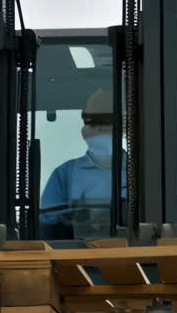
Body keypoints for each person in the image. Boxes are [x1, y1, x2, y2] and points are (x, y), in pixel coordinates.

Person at [38, 89, 124, 240]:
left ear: (124, 125)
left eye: (105, 122)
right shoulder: (64, 174)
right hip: (77, 257)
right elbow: (49, 232)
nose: (95, 129)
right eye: (89, 122)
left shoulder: (143, 173)